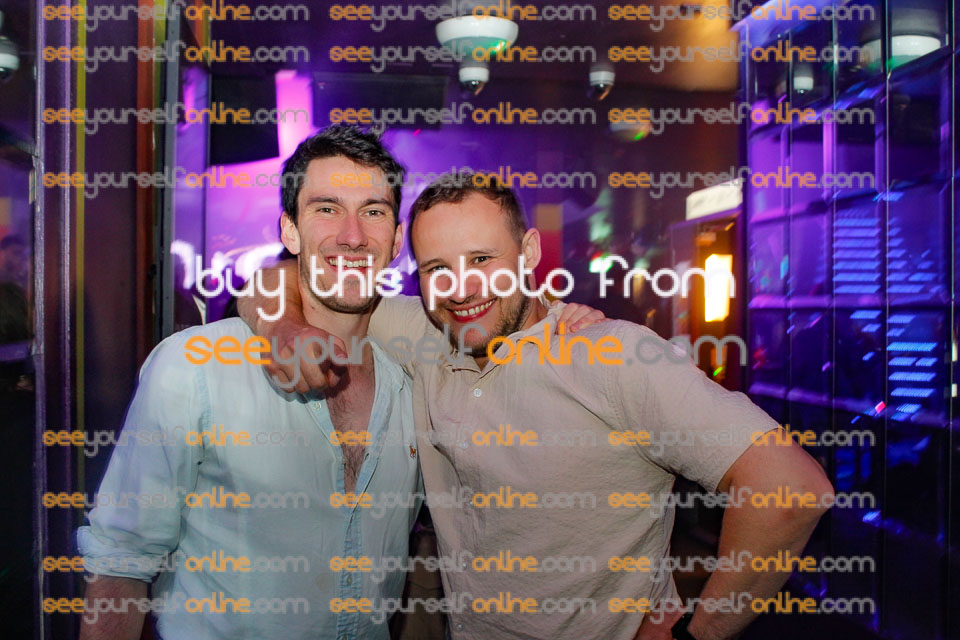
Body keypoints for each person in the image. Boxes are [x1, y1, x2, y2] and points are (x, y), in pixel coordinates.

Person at [241, 171, 835, 640]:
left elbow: (790, 489)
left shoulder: (609, 353)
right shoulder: (427, 334)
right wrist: (285, 329)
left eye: (482, 260)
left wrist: (697, 633)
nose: (461, 288)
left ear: (527, 252)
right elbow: (276, 281)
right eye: (437, 269)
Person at [78, 125, 424, 640]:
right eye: (326, 208)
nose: (352, 235)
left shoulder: (412, 388)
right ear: (290, 231)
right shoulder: (194, 367)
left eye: (373, 212)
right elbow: (120, 563)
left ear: (396, 239)